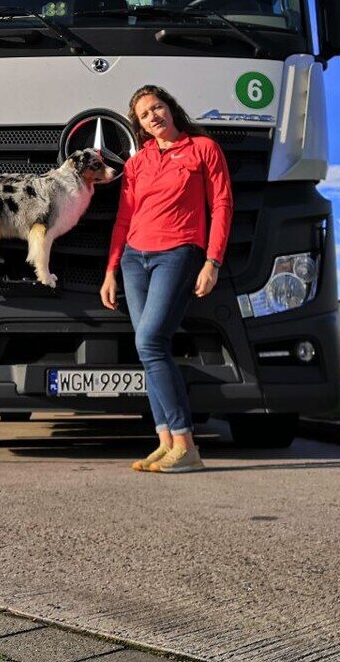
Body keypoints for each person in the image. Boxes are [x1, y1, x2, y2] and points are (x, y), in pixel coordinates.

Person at [100, 85, 233, 473]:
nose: (153, 116)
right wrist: (110, 269)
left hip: (178, 252)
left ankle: (187, 444)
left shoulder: (203, 149)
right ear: (139, 125)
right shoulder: (138, 162)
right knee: (149, 350)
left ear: (170, 108)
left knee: (150, 341)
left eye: (156, 107)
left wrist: (213, 261)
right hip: (133, 258)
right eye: (144, 114)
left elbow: (222, 205)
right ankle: (165, 442)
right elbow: (124, 217)